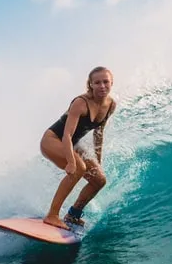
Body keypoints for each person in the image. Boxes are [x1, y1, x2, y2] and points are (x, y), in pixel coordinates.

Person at [40, 66, 116, 230]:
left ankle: (73, 214)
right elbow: (67, 135)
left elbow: (99, 133)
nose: (102, 86)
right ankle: (52, 215)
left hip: (73, 143)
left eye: (105, 82)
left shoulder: (110, 105)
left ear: (112, 83)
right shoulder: (80, 103)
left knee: (99, 179)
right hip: (52, 139)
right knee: (79, 168)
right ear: (90, 85)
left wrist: (98, 160)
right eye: (97, 82)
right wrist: (71, 162)